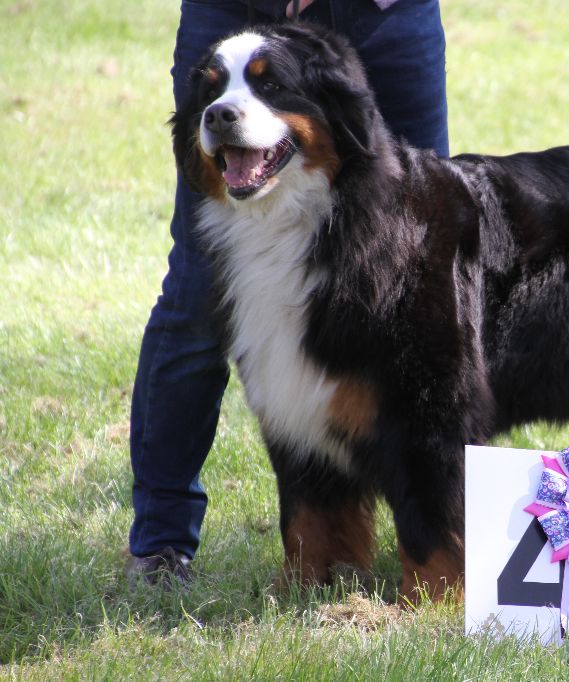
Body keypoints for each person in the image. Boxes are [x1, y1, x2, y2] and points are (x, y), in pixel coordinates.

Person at [127, 0, 448, 585]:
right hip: (233, 9)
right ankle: (161, 544)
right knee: (196, 299)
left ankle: (433, 549)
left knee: (423, 288)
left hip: (386, 11)